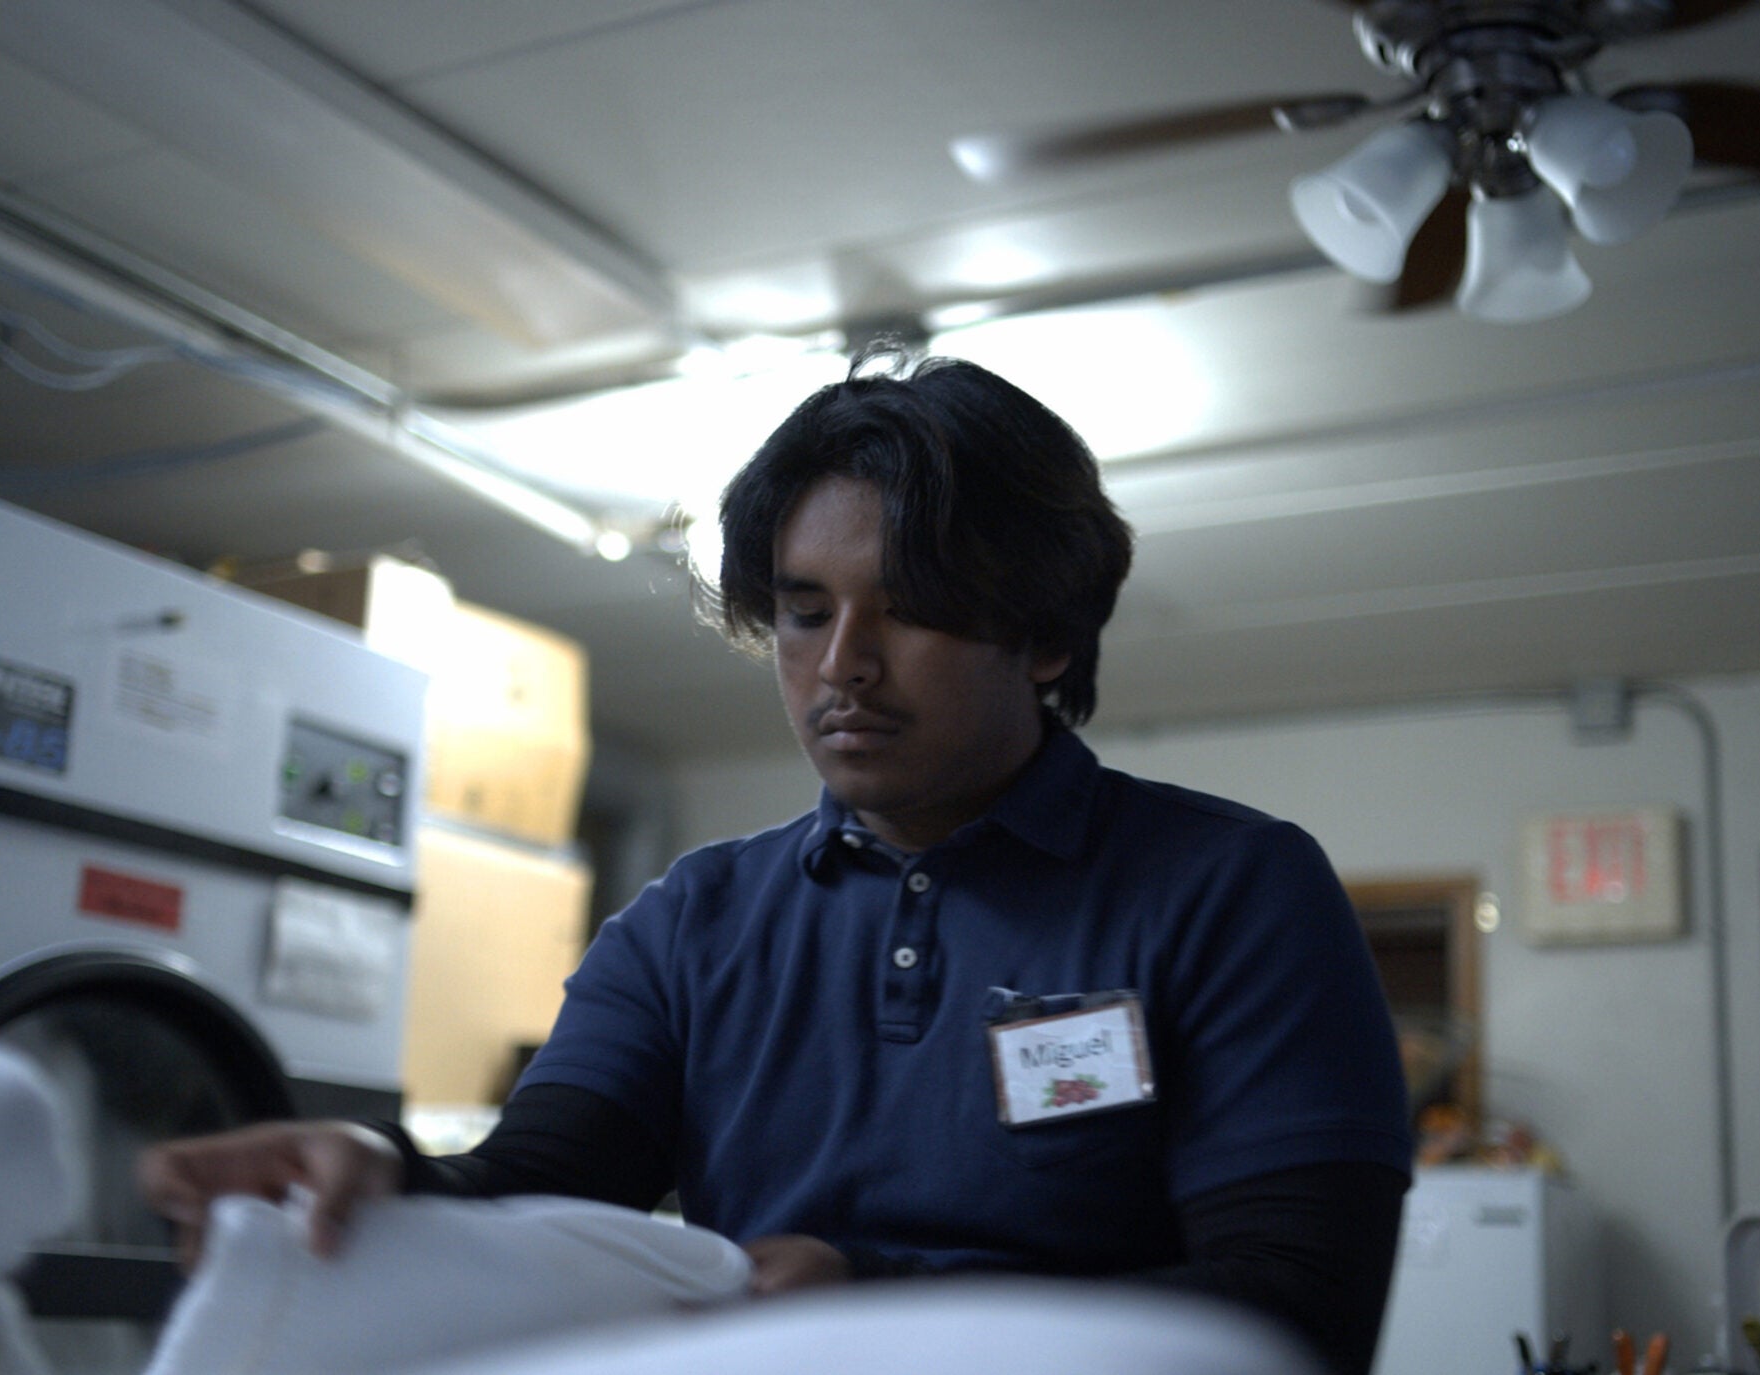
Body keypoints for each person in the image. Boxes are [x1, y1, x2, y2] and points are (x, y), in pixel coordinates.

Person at [139, 352, 1415, 1375]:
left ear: (1042, 636)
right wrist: (382, 1175)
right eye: (805, 612)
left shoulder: (1230, 890)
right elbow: (531, 1196)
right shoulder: (689, 926)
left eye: (908, 608)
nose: (841, 664)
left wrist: (876, 1305)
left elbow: (1295, 1315)